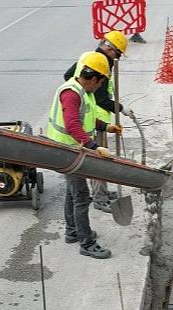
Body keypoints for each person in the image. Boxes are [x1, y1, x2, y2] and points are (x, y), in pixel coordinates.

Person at [47, 51, 122, 259]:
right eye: (99, 84)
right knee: (81, 196)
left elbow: (86, 119)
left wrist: (107, 127)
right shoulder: (71, 94)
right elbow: (72, 124)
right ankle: (86, 242)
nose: (98, 88)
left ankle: (73, 231)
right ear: (94, 78)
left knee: (73, 192)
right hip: (66, 150)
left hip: (71, 149)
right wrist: (93, 145)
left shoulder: (83, 91)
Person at [63, 30, 134, 213]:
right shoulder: (100, 65)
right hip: (95, 118)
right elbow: (101, 98)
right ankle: (100, 198)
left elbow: (68, 75)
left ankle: (102, 192)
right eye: (117, 54)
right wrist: (120, 108)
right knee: (99, 160)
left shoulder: (89, 57)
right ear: (110, 48)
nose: (117, 58)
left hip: (91, 117)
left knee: (98, 159)